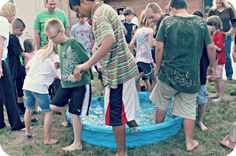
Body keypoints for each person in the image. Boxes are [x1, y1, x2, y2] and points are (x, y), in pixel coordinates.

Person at [69, 0, 140, 155]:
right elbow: (122, 32)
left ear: (83, 1)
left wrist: (86, 65)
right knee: (122, 106)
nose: (80, 15)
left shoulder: (99, 15)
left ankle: (121, 152)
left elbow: (110, 39)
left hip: (118, 72)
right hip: (124, 66)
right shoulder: (105, 9)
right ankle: (135, 128)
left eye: (78, 10)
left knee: (115, 113)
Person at [149, 0, 216, 151]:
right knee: (188, 110)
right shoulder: (200, 22)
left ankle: (157, 134)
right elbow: (210, 47)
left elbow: (159, 47)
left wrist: (157, 68)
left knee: (162, 102)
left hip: (168, 75)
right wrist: (212, 66)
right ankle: (189, 142)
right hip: (191, 77)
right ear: (187, 8)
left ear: (171, 8)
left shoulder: (167, 21)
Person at [45, 18, 92, 152]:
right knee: (52, 106)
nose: (52, 40)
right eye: (49, 38)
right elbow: (68, 60)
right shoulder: (59, 46)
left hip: (80, 85)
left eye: (53, 37)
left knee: (74, 114)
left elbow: (87, 62)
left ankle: (78, 143)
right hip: (65, 85)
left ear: (62, 31)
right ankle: (68, 105)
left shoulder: (73, 42)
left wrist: (78, 74)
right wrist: (59, 65)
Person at [23, 41, 58, 145]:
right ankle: (47, 139)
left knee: (29, 109)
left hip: (28, 84)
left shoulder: (39, 52)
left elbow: (27, 66)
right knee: (48, 111)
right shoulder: (56, 57)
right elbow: (59, 75)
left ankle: (27, 131)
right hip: (40, 87)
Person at [0, 2, 25, 131]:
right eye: (13, 14)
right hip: (1, 61)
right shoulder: (3, 21)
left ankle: (0, 123)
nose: (14, 18)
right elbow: (0, 42)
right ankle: (16, 124)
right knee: (10, 94)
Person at [208, 0, 236, 80]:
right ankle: (213, 76)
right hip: (214, 37)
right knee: (213, 56)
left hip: (226, 36)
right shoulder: (212, 10)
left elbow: (234, 22)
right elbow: (208, 23)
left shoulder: (229, 9)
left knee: (226, 56)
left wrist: (229, 32)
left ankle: (229, 75)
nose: (218, 0)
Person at [129, 10, 156, 92]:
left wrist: (132, 55)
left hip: (139, 58)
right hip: (147, 59)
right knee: (155, 79)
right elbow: (151, 44)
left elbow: (130, 45)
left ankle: (134, 80)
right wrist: (159, 43)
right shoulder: (149, 30)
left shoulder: (138, 31)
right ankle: (151, 98)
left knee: (144, 75)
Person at [192, 10, 210, 132]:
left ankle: (200, 120)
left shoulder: (205, 34)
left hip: (201, 70)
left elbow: (211, 50)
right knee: (188, 98)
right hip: (189, 70)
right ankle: (189, 119)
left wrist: (210, 67)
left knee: (202, 98)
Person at [207, 15, 226, 104]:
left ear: (215, 25)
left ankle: (221, 96)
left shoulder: (220, 34)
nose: (207, 27)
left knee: (218, 78)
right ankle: (217, 93)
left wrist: (211, 45)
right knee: (215, 78)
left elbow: (220, 48)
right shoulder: (214, 33)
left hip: (219, 60)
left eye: (209, 25)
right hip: (215, 60)